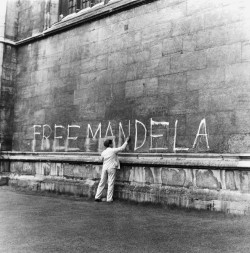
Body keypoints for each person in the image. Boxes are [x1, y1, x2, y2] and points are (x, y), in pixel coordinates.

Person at [95, 136, 130, 203]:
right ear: (110, 144)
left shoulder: (103, 152)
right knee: (110, 183)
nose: (112, 144)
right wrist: (126, 141)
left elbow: (101, 159)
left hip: (105, 168)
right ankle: (109, 199)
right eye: (112, 143)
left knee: (102, 182)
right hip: (111, 167)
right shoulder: (113, 150)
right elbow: (122, 148)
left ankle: (97, 197)